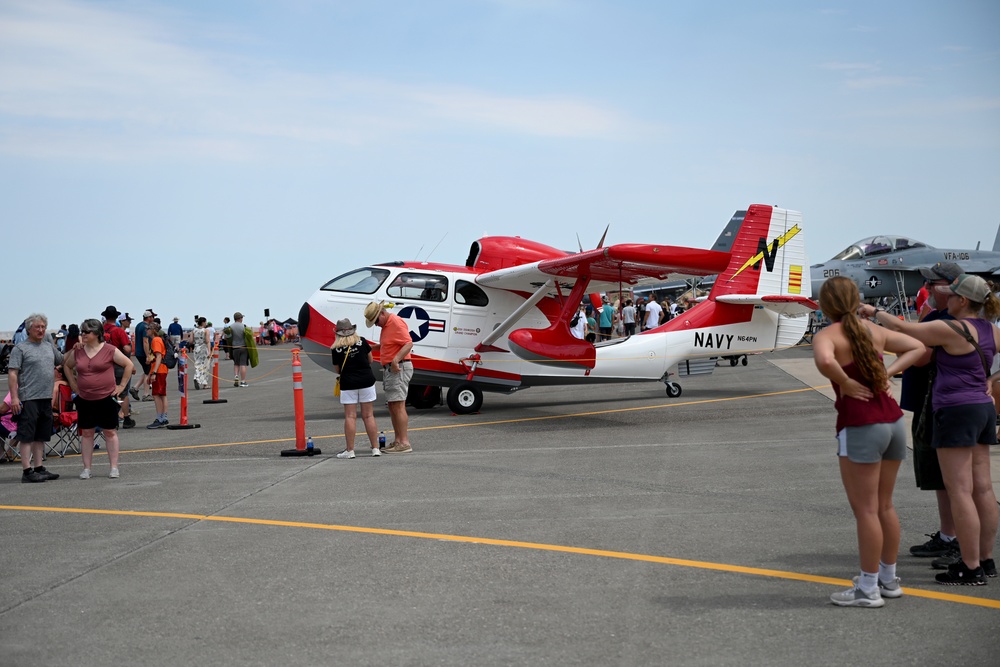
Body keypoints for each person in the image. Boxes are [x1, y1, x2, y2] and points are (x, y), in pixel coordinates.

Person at [860, 273, 1000, 585]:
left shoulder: (950, 328)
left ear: (962, 301)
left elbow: (902, 328)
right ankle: (986, 560)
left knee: (960, 490)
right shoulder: (990, 329)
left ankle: (970, 566)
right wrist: (990, 382)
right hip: (982, 409)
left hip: (955, 411)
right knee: (984, 488)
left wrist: (871, 312)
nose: (946, 298)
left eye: (952, 295)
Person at [813, 277, 925, 607]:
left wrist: (845, 382)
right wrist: (888, 374)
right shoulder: (872, 330)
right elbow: (918, 348)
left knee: (866, 511)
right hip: (892, 422)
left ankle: (868, 587)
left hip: (861, 424)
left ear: (826, 305)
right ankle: (888, 580)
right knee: (884, 505)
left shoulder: (828, 335)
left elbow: (824, 360)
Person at [898, 262, 962, 567]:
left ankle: (961, 542)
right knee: (940, 479)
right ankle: (949, 536)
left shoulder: (950, 321)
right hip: (930, 405)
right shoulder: (936, 316)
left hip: (943, 407)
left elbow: (921, 356)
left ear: (952, 286)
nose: (926, 288)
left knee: (955, 482)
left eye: (933, 283)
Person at [63, 319, 134, 479]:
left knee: (110, 432)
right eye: (82, 332)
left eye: (86, 332)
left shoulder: (109, 350)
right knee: (86, 433)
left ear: (96, 333)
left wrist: (121, 386)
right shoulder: (78, 351)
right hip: (85, 398)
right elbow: (66, 365)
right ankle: (86, 468)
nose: (83, 335)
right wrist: (74, 385)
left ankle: (114, 467)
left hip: (106, 397)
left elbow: (128, 365)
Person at [8, 313, 63, 483]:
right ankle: (27, 470)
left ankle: (39, 467)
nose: (40, 330)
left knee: (41, 435)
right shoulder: (20, 349)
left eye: (43, 327)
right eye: (37, 327)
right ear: (29, 329)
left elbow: (62, 360)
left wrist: (76, 350)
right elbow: (13, 373)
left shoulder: (48, 347)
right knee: (26, 435)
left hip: (45, 397)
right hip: (29, 398)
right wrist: (15, 398)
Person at [364, 301, 413, 453]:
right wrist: (371, 347)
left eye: (376, 321)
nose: (377, 324)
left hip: (398, 368)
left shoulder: (395, 322)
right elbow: (389, 344)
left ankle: (404, 442)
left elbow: (408, 343)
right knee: (393, 405)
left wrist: (396, 360)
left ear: (382, 314)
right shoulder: (386, 325)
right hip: (391, 369)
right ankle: (398, 440)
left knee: (398, 405)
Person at [331, 318, 380, 458]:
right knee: (369, 415)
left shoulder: (335, 348)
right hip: (366, 380)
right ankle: (375, 448)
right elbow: (370, 360)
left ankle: (350, 450)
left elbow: (337, 369)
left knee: (350, 416)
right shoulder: (362, 341)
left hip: (348, 383)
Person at [101, 305, 135, 429]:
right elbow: (126, 348)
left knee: (108, 392)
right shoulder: (119, 331)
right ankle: (125, 418)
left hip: (104, 366)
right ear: (116, 317)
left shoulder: (100, 331)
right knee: (122, 392)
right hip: (119, 365)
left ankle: (110, 417)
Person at [144, 322, 170, 428]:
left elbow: (158, 356)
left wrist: (153, 372)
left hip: (159, 370)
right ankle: (164, 417)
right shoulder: (158, 340)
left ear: (153, 330)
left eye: (148, 329)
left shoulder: (155, 340)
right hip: (161, 369)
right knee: (162, 394)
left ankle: (160, 418)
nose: (146, 331)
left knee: (157, 394)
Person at [130, 310, 156, 402]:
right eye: (152, 317)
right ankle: (146, 394)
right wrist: (148, 355)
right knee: (148, 373)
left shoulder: (138, 325)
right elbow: (145, 341)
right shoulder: (146, 327)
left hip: (138, 352)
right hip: (143, 353)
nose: (153, 319)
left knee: (146, 371)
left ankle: (135, 388)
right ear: (149, 318)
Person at [229, 312, 249, 387]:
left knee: (236, 363)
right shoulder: (244, 326)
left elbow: (227, 336)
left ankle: (236, 376)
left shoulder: (231, 327)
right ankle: (243, 381)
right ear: (240, 318)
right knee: (243, 364)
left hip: (234, 348)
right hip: (243, 347)